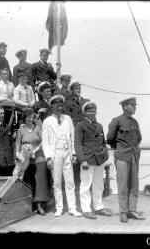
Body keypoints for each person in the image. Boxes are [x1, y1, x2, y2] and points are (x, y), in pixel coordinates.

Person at [42, 95, 82, 217]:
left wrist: (73, 153)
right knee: (57, 182)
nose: (59, 108)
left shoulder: (68, 119)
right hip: (55, 154)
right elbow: (45, 141)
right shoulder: (47, 121)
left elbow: (72, 137)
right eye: (57, 105)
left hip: (67, 153)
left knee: (70, 181)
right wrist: (48, 157)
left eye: (61, 105)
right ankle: (59, 207)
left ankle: (72, 208)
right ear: (52, 106)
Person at [106, 97, 145, 223]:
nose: (135, 107)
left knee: (134, 184)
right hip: (122, 155)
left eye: (135, 105)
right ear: (124, 107)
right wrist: (119, 148)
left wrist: (135, 150)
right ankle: (123, 211)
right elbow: (110, 138)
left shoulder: (135, 122)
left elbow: (139, 138)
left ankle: (132, 210)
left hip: (134, 155)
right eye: (132, 105)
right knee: (122, 184)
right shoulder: (117, 120)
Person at [75, 101, 113, 219]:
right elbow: (78, 145)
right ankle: (86, 209)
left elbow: (103, 142)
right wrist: (83, 160)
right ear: (85, 113)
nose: (92, 113)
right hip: (88, 159)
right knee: (86, 185)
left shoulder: (99, 126)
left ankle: (98, 207)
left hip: (99, 160)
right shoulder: (80, 125)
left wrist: (105, 156)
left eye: (93, 111)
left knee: (99, 184)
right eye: (89, 111)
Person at [16, 108, 49, 215]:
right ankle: (30, 203)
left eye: (32, 117)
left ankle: (40, 203)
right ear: (24, 118)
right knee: (28, 181)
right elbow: (17, 144)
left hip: (38, 158)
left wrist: (35, 149)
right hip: (26, 160)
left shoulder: (38, 128)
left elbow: (44, 141)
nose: (31, 119)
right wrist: (18, 154)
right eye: (29, 117)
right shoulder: (21, 130)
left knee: (39, 181)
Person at [63, 81, 88, 212]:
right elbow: (67, 119)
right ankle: (75, 202)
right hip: (74, 134)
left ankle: (86, 201)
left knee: (85, 170)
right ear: (72, 90)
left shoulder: (86, 101)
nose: (78, 90)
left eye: (79, 88)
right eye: (76, 88)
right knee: (74, 171)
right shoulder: (68, 103)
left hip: (85, 136)